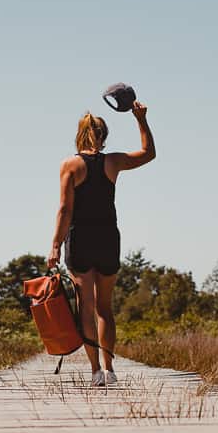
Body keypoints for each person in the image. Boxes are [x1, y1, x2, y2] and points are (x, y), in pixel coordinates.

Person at [48, 91, 155, 387]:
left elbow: (64, 209)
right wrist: (141, 120)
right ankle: (110, 368)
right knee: (105, 308)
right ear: (104, 135)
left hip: (80, 239)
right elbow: (148, 154)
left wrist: (55, 246)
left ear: (79, 135)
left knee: (86, 307)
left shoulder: (70, 165)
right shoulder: (114, 162)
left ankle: (96, 372)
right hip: (108, 237)